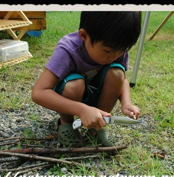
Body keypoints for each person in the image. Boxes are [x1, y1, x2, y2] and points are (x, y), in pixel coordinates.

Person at [32, 11, 142, 147]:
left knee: (117, 73)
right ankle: (66, 124)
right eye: (107, 51)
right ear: (83, 36)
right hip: (69, 97)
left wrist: (126, 103)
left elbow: (122, 79)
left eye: (121, 50)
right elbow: (39, 92)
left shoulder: (115, 46)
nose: (113, 57)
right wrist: (82, 110)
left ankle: (97, 126)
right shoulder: (68, 50)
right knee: (75, 84)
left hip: (96, 94)